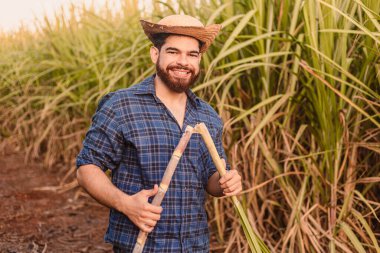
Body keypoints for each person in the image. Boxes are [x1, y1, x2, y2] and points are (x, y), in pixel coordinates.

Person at [76, 14, 242, 252]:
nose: (183, 62)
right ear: (156, 54)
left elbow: (211, 180)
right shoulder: (121, 105)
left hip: (195, 245)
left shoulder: (207, 116)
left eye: (191, 54)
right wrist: (127, 204)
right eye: (173, 52)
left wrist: (226, 182)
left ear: (199, 60)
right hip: (141, 246)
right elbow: (86, 169)